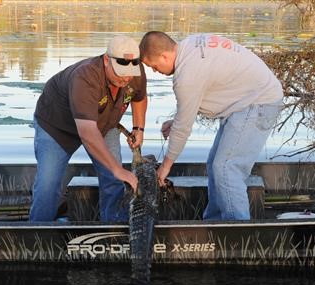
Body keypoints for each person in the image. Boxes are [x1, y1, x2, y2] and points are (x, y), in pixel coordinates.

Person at [139, 31, 283, 221]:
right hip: (245, 101)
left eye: (154, 66)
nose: (155, 71)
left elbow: (183, 128)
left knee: (226, 167)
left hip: (259, 102)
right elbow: (200, 93)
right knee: (214, 164)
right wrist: (176, 122)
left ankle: (238, 232)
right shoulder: (190, 45)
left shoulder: (186, 74)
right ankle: (214, 223)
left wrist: (165, 167)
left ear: (164, 56)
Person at [30, 35, 147, 222]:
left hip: (104, 125)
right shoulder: (85, 77)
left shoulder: (135, 70)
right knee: (48, 185)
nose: (126, 77)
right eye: (120, 71)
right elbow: (87, 133)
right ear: (107, 60)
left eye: (130, 71)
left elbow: (139, 97)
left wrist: (138, 128)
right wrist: (117, 169)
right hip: (57, 127)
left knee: (114, 180)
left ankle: (113, 229)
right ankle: (36, 233)